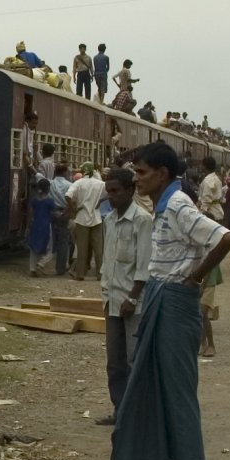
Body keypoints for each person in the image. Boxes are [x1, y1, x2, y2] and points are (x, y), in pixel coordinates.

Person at [109, 142, 230, 460]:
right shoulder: (165, 206)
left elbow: (225, 238)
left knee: (179, 398)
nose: (137, 178)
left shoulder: (179, 205)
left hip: (174, 302)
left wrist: (194, 278)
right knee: (160, 395)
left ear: (162, 174)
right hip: (161, 297)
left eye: (142, 172)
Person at [95, 165, 152, 426]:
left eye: (116, 191)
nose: (111, 196)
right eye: (108, 191)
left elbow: (144, 265)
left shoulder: (142, 220)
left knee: (134, 361)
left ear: (130, 191)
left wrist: (133, 297)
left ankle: (136, 413)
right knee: (114, 362)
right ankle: (120, 410)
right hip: (112, 300)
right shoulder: (108, 220)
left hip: (133, 303)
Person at [67, 162, 106, 281]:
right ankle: (100, 274)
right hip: (96, 217)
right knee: (98, 249)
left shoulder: (78, 183)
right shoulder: (100, 184)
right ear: (93, 171)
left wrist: (74, 208)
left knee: (82, 248)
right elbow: (110, 193)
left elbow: (68, 196)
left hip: (81, 217)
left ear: (83, 171)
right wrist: (99, 202)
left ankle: (80, 274)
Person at [26, 175, 54, 275]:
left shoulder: (34, 200)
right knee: (50, 248)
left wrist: (28, 226)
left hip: (35, 224)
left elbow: (31, 214)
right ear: (48, 188)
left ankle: (32, 269)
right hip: (46, 225)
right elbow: (53, 213)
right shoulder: (49, 201)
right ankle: (41, 263)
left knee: (33, 247)